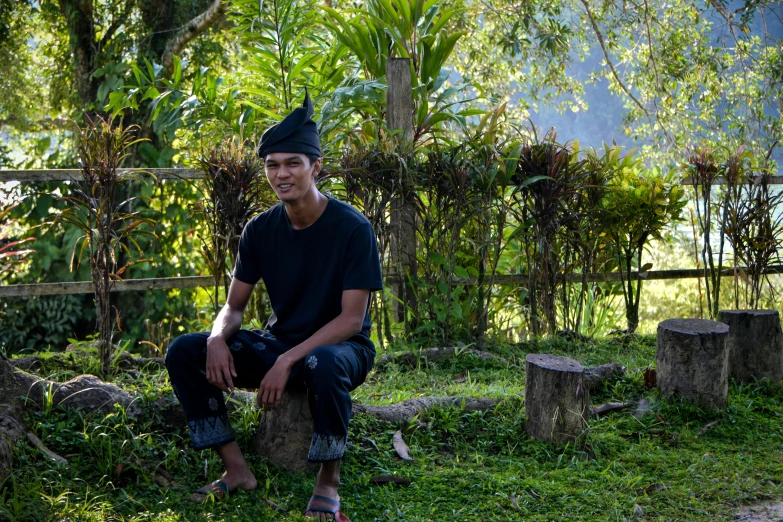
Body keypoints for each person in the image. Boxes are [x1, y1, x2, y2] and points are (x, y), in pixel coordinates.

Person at [165, 90, 383, 521]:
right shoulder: (259, 231)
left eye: (292, 163)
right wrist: (215, 337)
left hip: (343, 351)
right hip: (280, 344)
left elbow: (351, 320)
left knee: (322, 361)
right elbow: (234, 307)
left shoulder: (353, 229)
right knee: (183, 351)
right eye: (272, 165)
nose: (281, 174)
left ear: (315, 167)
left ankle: (328, 482)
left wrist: (287, 360)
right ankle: (237, 469)